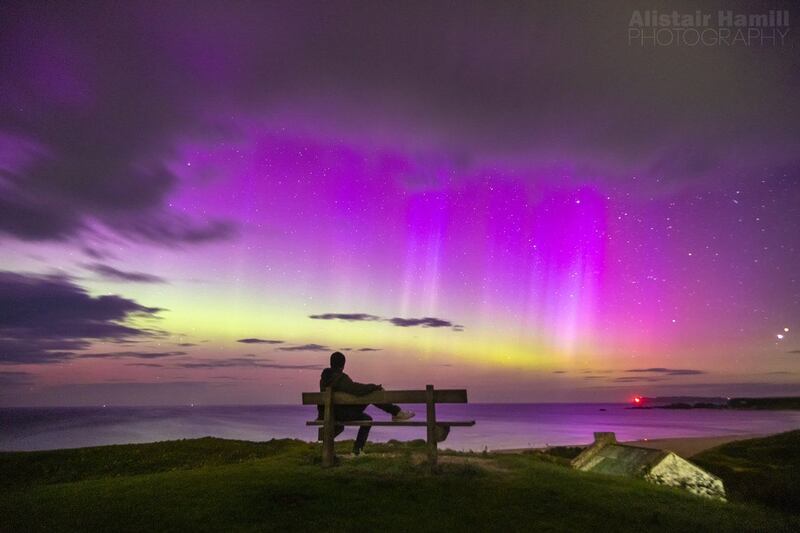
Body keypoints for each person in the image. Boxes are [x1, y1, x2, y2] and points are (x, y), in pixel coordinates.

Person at [318, 351, 415, 455]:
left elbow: (353, 389)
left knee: (368, 410)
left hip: (328, 414)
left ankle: (358, 451)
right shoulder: (340, 378)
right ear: (343, 365)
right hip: (342, 414)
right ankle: (396, 413)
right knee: (371, 396)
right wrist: (374, 387)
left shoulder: (324, 379)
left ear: (331, 363)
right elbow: (355, 389)